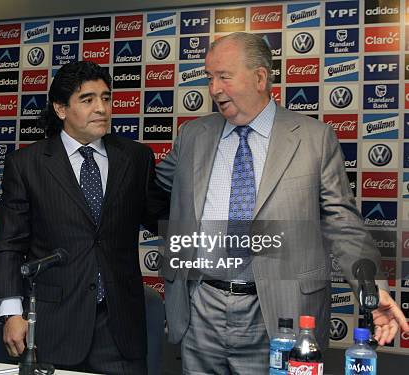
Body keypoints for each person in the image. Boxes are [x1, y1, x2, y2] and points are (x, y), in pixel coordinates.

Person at [156, 32, 409, 374]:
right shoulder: (193, 135)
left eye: (224, 77)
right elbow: (150, 190)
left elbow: (343, 223)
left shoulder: (313, 139)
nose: (214, 88)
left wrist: (369, 289)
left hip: (280, 313)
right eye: (209, 78)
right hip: (200, 308)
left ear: (260, 77)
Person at [0, 61, 166, 375]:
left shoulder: (136, 158)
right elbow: (8, 246)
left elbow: (163, 219)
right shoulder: (26, 164)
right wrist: (12, 312)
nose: (102, 108)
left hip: (120, 329)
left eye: (106, 98)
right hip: (52, 326)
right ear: (60, 108)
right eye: (88, 99)